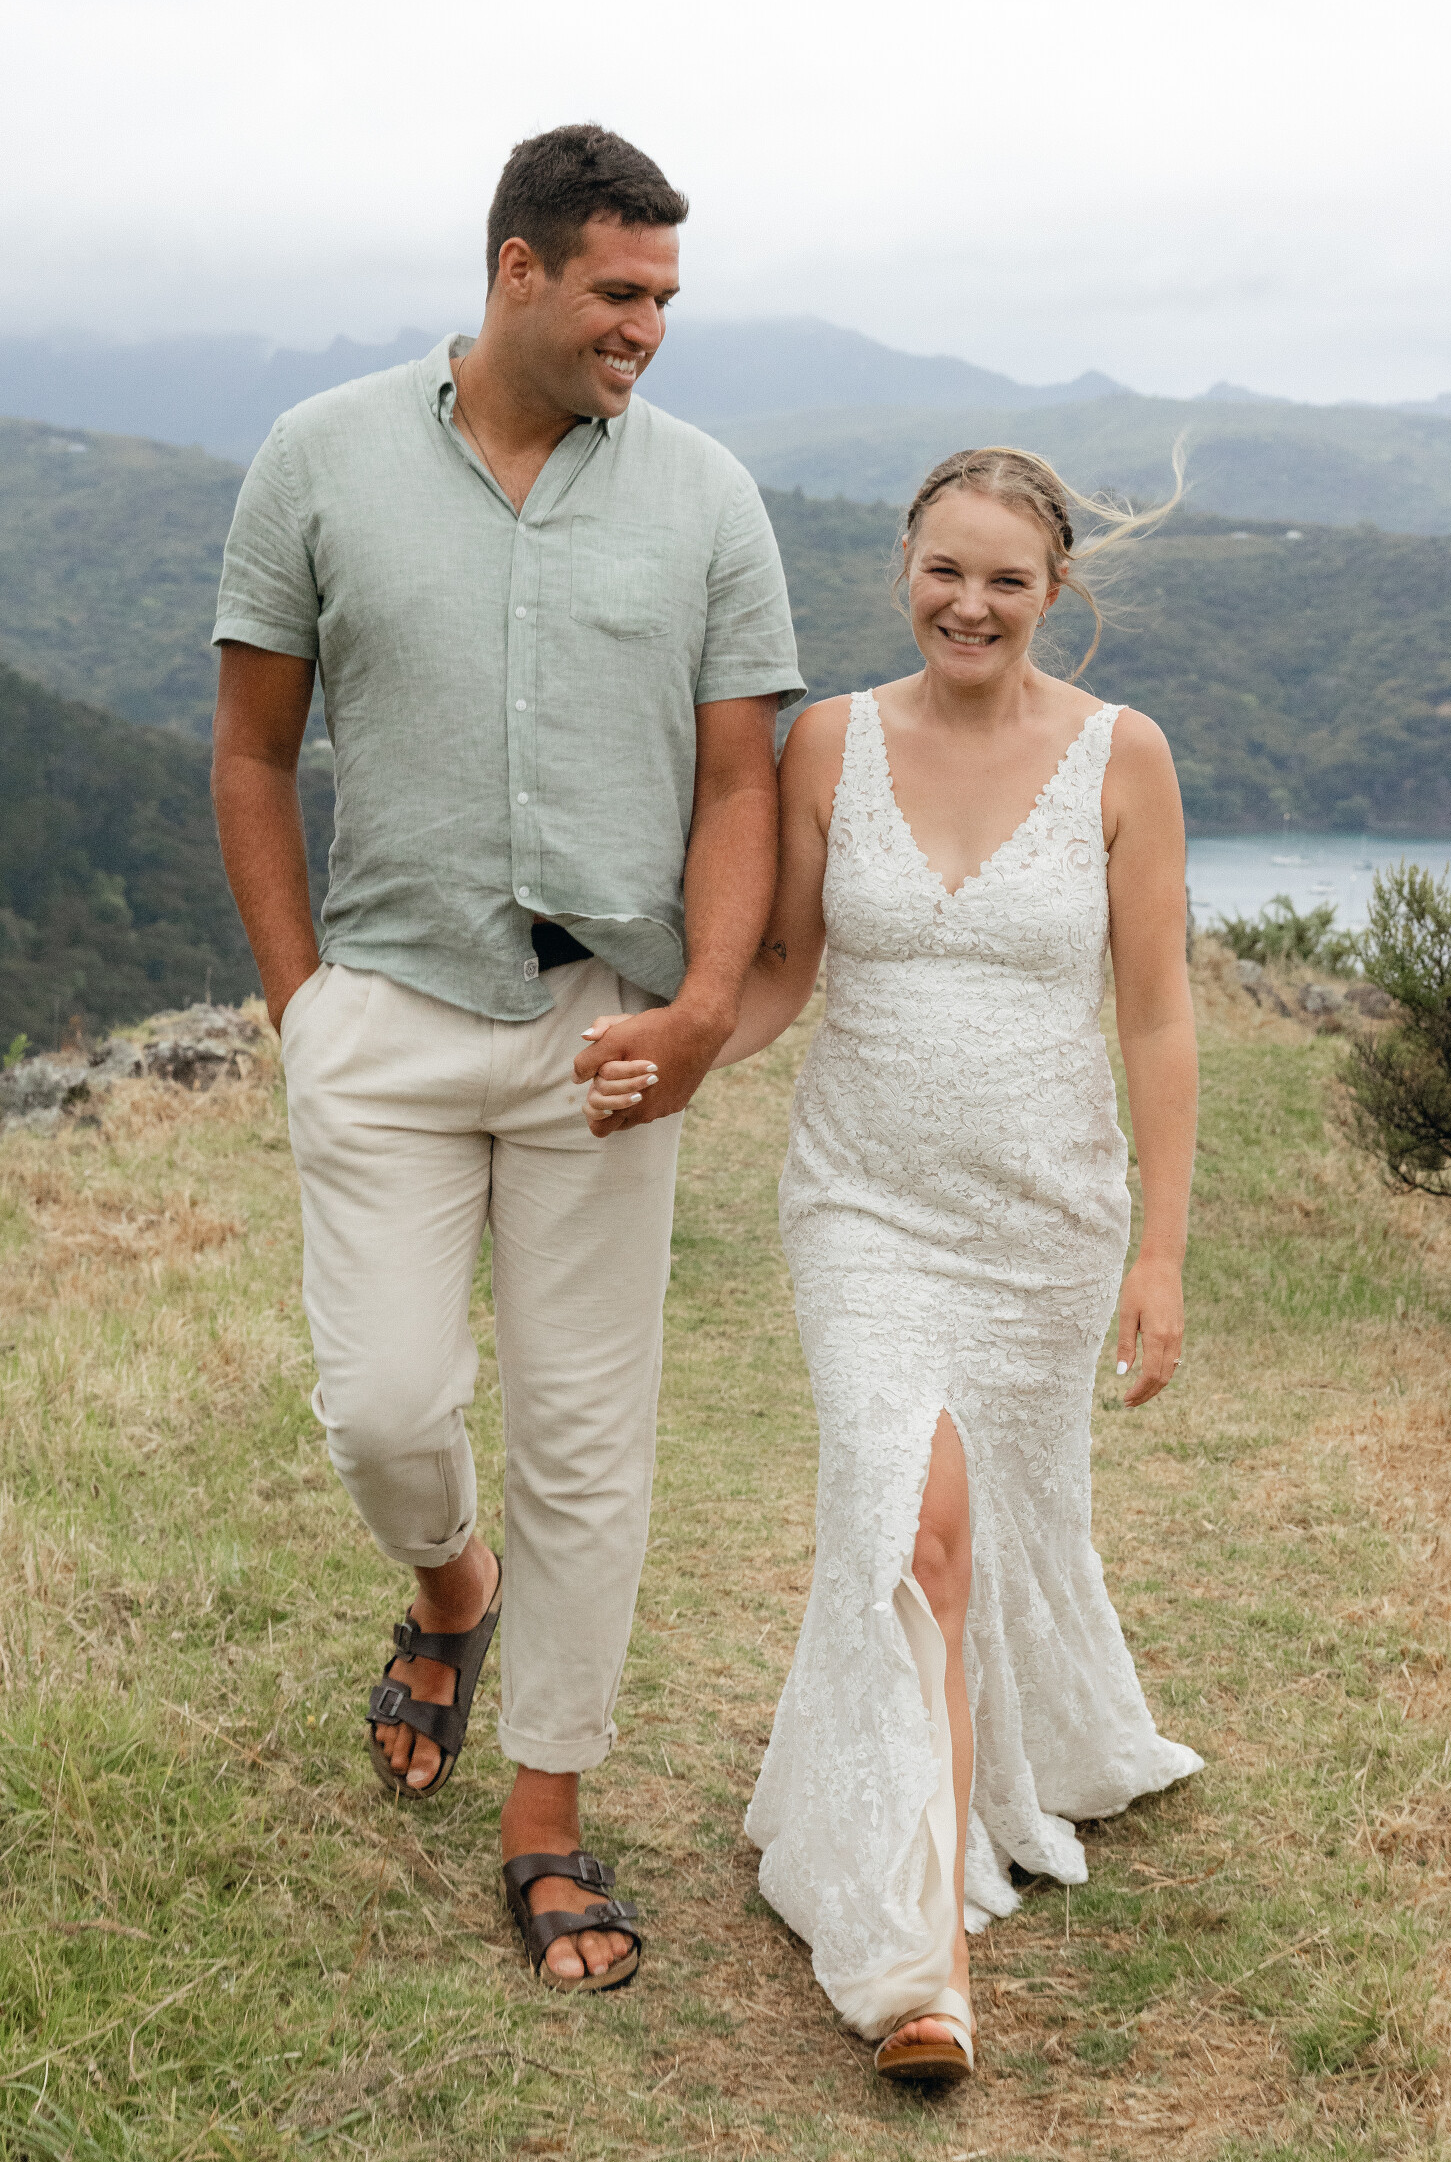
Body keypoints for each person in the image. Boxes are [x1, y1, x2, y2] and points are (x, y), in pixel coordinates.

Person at [210, 124, 804, 1992]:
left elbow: (741, 782)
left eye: (666, 299)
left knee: (584, 1440)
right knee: (385, 1412)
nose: (647, 329)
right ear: (517, 271)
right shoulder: (317, 457)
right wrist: (304, 1003)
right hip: (383, 1011)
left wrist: (701, 1012)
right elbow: (251, 753)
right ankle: (448, 1583)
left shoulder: (707, 496)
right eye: (620, 292)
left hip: (603, 1029)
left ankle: (546, 1816)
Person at [583, 446, 1202, 2075]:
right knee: (913, 1532)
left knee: (996, 1529)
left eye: (1006, 580)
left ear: (1053, 592)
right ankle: (919, 1965)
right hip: (862, 1207)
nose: (969, 605)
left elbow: (1155, 1016)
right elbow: (785, 967)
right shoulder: (830, 743)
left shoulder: (1125, 757)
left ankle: (998, 1755)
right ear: (903, 569)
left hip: (1045, 1224)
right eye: (945, 570)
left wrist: (1161, 1251)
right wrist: (681, 1056)